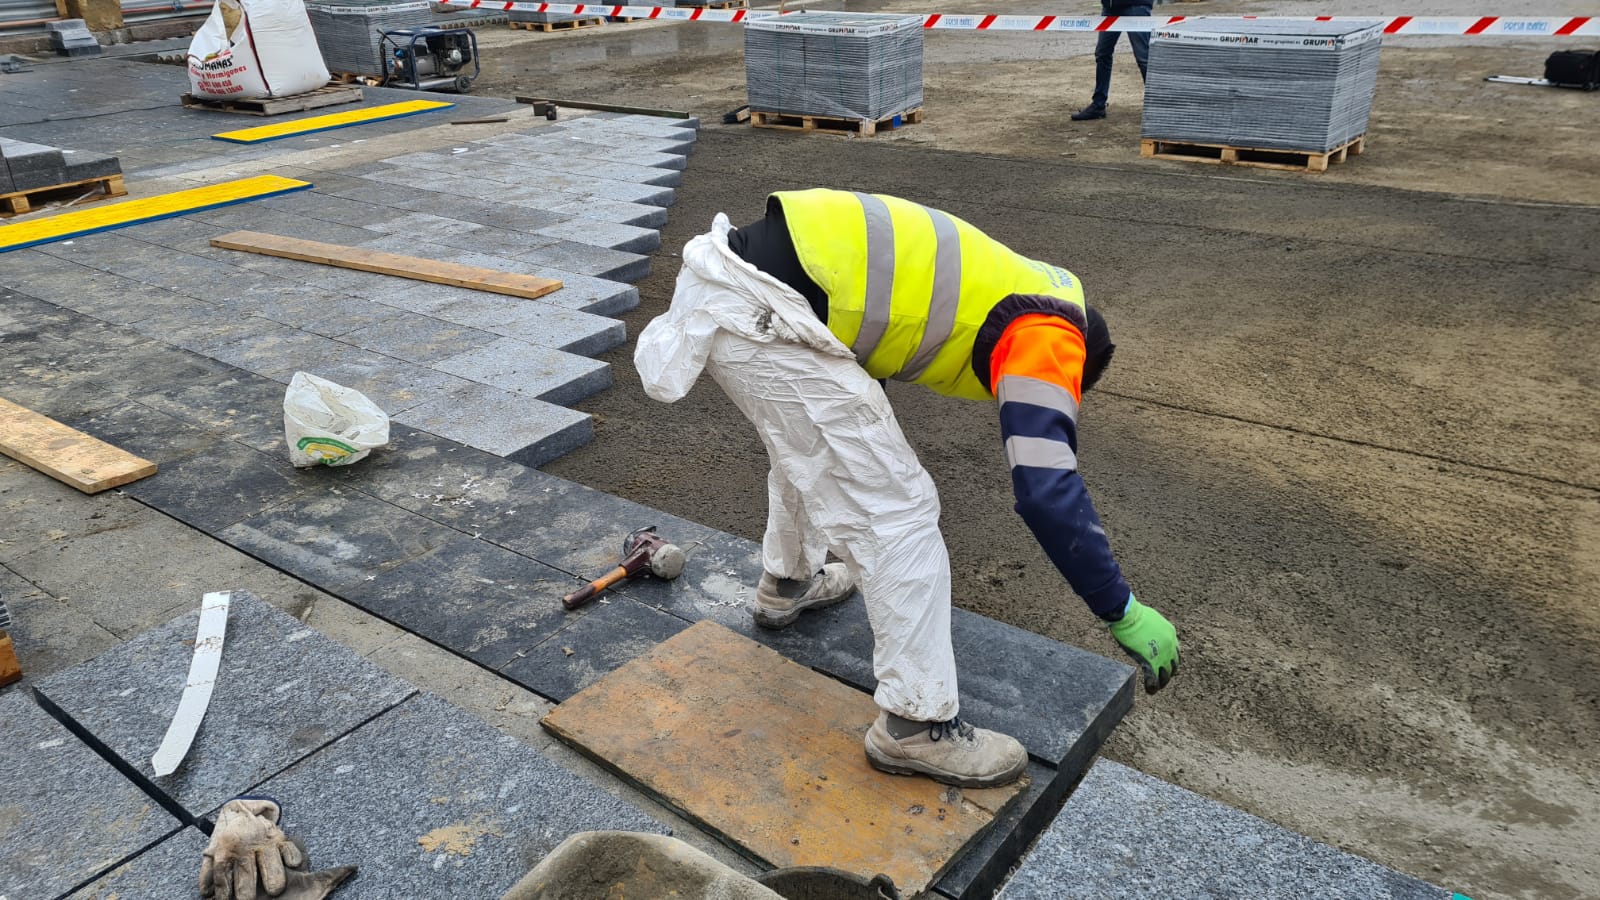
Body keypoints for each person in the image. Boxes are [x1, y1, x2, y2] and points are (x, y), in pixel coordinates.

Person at [634, 189, 1180, 789]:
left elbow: (875, 332)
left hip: (746, 280)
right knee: (899, 510)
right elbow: (1047, 491)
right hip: (763, 305)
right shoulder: (1052, 341)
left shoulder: (1027, 286)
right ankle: (915, 726)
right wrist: (1120, 610)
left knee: (821, 452)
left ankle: (786, 583)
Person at [1072, 1, 1152, 121]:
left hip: (1136, 5)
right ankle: (1098, 105)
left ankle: (1159, 106)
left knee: (1144, 58)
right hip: (1111, 7)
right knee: (1102, 54)